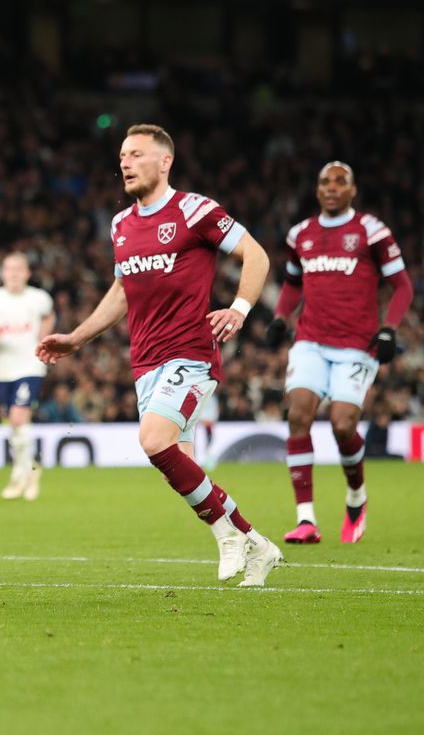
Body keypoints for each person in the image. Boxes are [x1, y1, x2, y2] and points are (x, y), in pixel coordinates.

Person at [37, 123, 283, 587]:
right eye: (122, 156)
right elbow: (122, 291)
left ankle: (225, 531)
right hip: (145, 362)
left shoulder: (195, 210)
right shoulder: (121, 224)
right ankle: (254, 541)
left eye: (135, 154)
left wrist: (239, 307)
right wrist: (77, 338)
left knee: (152, 441)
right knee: (177, 465)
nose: (124, 163)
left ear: (164, 161)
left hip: (190, 353)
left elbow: (257, 255)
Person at [266, 161, 413, 545]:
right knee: (298, 415)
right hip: (311, 339)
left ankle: (356, 496)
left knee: (343, 425)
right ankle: (306, 520)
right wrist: (282, 318)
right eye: (324, 182)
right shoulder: (301, 234)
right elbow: (293, 283)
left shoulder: (371, 231)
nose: (331, 188)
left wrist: (388, 329)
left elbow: (402, 287)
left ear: (352, 190)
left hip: (356, 344)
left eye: (340, 182)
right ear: (317, 190)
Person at [0, 253, 54, 500]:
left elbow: (49, 316)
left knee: (18, 419)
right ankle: (30, 469)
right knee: (14, 423)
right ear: (2, 273)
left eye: (19, 269)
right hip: (4, 369)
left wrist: (44, 336)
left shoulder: (39, 298)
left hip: (30, 366)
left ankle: (21, 474)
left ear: (28, 273)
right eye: (9, 269)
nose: (14, 273)